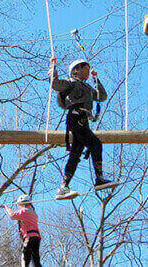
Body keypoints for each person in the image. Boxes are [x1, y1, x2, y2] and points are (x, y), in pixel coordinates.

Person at [49, 57, 117, 200]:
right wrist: (53, 67)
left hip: (83, 120)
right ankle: (99, 179)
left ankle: (63, 186)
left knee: (76, 152)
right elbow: (54, 84)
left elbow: (102, 96)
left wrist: (96, 80)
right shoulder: (70, 83)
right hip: (75, 118)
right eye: (85, 68)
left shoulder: (87, 88)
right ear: (76, 70)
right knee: (95, 144)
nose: (88, 70)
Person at [4, 195, 41, 266]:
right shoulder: (33, 213)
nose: (19, 207)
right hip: (36, 237)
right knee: (35, 258)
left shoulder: (24, 211)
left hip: (29, 237)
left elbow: (12, 215)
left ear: (23, 204)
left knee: (25, 257)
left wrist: (6, 207)